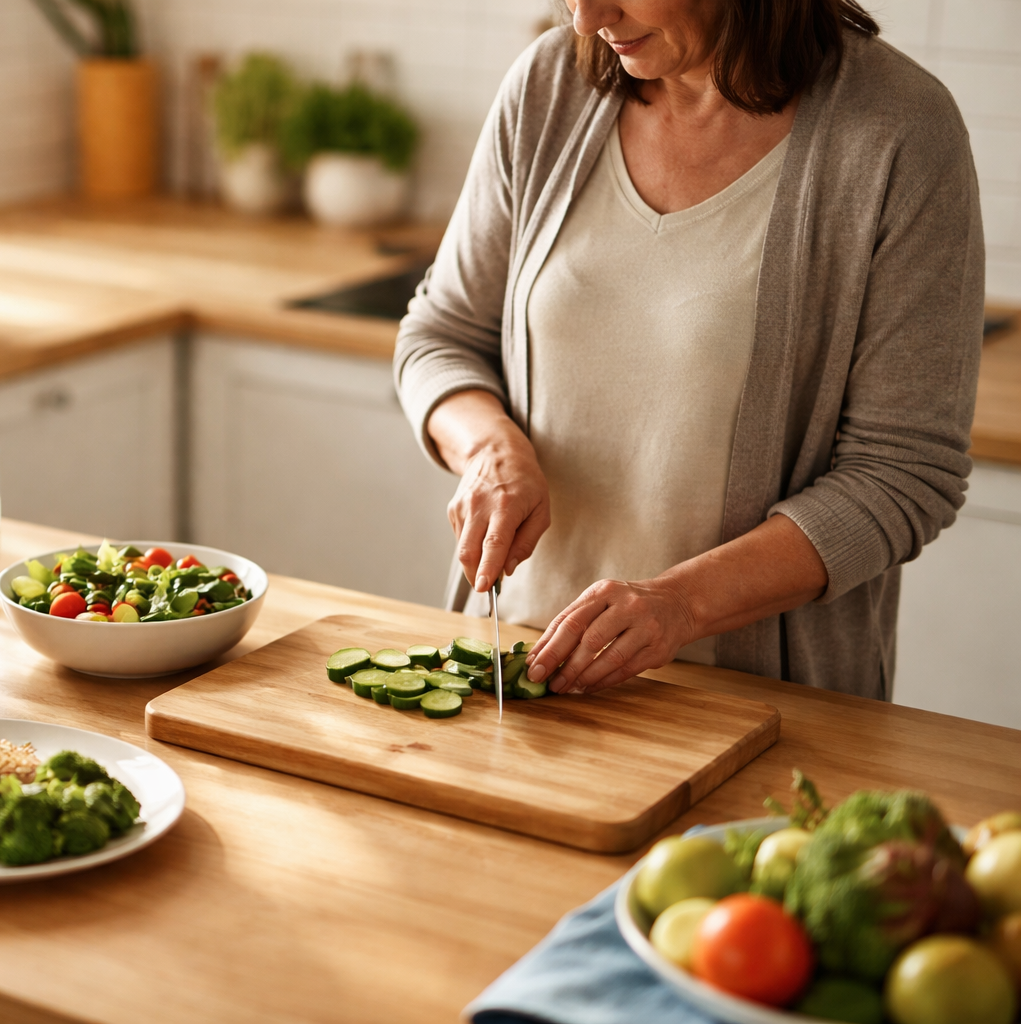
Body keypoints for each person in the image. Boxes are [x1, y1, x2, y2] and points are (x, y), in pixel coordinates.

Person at [393, 0, 983, 701]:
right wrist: (489, 449)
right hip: (511, 674)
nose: (588, 19)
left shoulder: (899, 130)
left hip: (757, 709)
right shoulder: (550, 85)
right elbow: (442, 334)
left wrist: (680, 603)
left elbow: (903, 474)